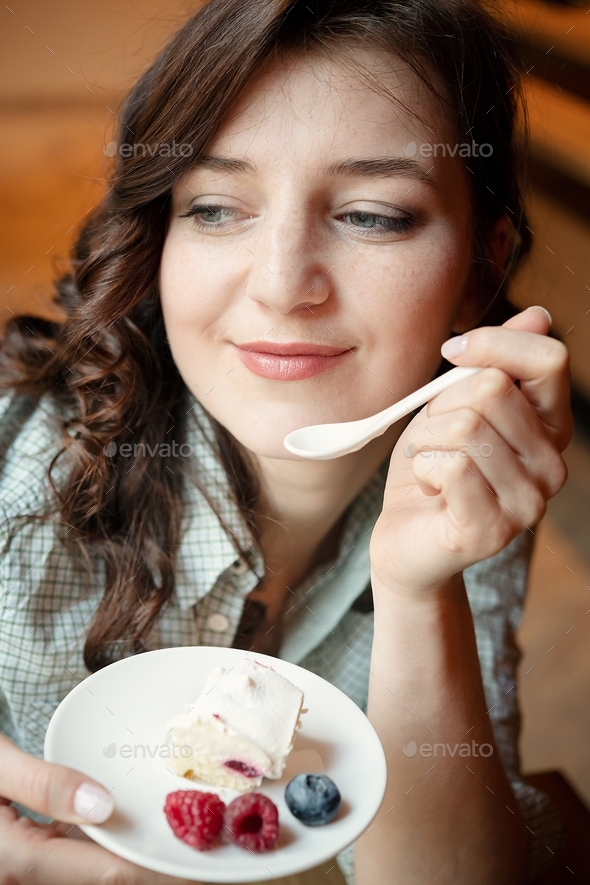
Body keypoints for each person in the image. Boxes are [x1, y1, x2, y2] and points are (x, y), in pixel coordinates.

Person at [0, 0, 573, 883]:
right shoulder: (16, 470)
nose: (279, 285)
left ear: (480, 272)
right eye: (218, 207)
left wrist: (420, 591)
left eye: (373, 215)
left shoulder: (462, 469)